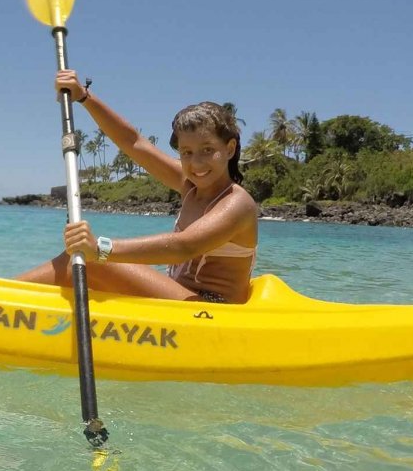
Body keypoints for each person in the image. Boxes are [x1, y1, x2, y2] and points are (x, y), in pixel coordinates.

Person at [17, 70, 258, 303]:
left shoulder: (237, 203)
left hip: (211, 312)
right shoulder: (191, 185)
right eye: (187, 152)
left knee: (88, 262)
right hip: (181, 296)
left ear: (229, 148)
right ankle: (5, 296)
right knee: (78, 260)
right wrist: (84, 97)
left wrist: (100, 248)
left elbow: (184, 246)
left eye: (208, 150)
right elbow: (132, 142)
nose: (196, 163)